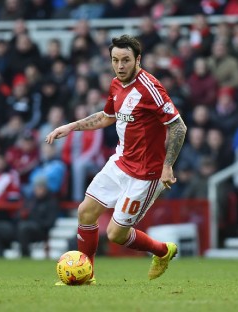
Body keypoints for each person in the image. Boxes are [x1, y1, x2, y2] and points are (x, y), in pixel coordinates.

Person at [45, 35, 187, 284]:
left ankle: (163, 251)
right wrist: (71, 126)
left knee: (115, 234)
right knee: (85, 212)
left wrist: (167, 166)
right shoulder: (116, 84)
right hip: (120, 162)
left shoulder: (150, 88)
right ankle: (87, 274)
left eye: (125, 60)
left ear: (138, 60)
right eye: (115, 60)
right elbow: (107, 116)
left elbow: (178, 127)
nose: (120, 66)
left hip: (146, 174)